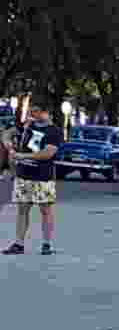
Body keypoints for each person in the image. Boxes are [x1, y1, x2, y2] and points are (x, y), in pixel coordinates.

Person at [2, 101, 63, 256]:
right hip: (23, 175)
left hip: (43, 177)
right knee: (22, 210)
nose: (31, 114)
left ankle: (46, 244)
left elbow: (48, 153)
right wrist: (9, 145)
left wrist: (23, 156)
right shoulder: (28, 125)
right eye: (31, 111)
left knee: (45, 210)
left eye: (35, 111)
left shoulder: (54, 131)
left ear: (45, 112)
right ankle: (19, 244)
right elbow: (7, 133)